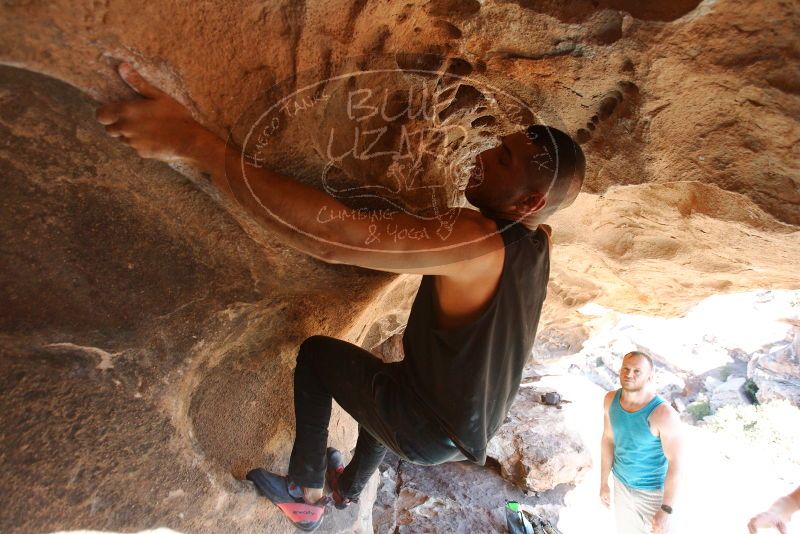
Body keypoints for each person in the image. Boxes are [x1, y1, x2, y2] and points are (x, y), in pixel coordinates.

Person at [97, 62, 585, 531]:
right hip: (463, 423)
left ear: (530, 202)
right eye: (496, 144)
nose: (480, 154)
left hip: (428, 427)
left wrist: (193, 142)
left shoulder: (475, 240)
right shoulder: (537, 242)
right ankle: (348, 487)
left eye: (501, 159)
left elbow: (333, 239)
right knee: (386, 381)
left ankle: (306, 494)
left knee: (317, 356)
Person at [600, 351, 683, 534]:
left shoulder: (663, 414)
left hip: (652, 493)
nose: (629, 374)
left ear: (649, 376)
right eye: (626, 369)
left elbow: (676, 464)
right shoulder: (610, 400)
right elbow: (608, 440)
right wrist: (603, 482)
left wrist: (666, 509)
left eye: (637, 371)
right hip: (621, 484)